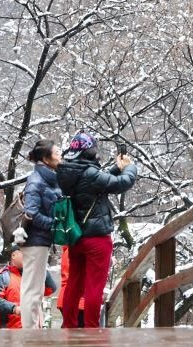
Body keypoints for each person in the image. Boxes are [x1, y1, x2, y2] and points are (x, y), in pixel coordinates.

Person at [57, 131, 136, 328]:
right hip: (97, 239)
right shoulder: (90, 173)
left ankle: (69, 326)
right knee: (94, 286)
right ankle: (92, 329)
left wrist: (116, 168)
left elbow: (96, 180)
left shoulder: (67, 171)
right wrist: (130, 167)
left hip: (76, 237)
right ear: (89, 152)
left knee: (74, 284)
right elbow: (121, 184)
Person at [20, 139, 62, 328]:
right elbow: (31, 212)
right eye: (56, 153)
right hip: (35, 241)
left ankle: (33, 331)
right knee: (32, 290)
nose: (60, 155)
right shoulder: (36, 181)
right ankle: (29, 334)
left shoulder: (47, 179)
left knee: (35, 290)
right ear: (45, 159)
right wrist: (53, 225)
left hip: (41, 241)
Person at [0, 247, 57, 329]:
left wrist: (40, 266)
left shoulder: (32, 275)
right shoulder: (1, 276)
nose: (29, 256)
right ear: (13, 255)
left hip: (34, 330)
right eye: (25, 253)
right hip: (10, 332)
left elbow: (51, 289)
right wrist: (14, 308)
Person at [56, 245, 85, 327]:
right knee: (79, 333)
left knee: (69, 328)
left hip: (66, 297)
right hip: (78, 299)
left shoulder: (68, 250)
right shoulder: (78, 250)